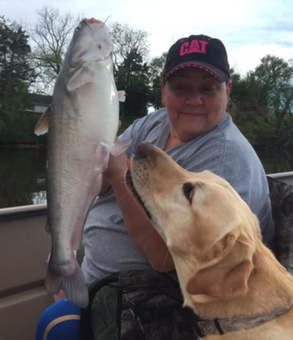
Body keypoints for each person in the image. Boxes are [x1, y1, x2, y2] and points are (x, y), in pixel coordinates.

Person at [36, 34, 275, 340]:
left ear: (227, 90)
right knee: (54, 260)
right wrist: (79, 159)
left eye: (207, 88)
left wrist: (118, 176)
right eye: (181, 88)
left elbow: (165, 259)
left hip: (149, 303)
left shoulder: (224, 162)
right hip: (98, 271)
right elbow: (103, 186)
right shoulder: (154, 123)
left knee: (55, 324)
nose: (194, 99)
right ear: (163, 92)